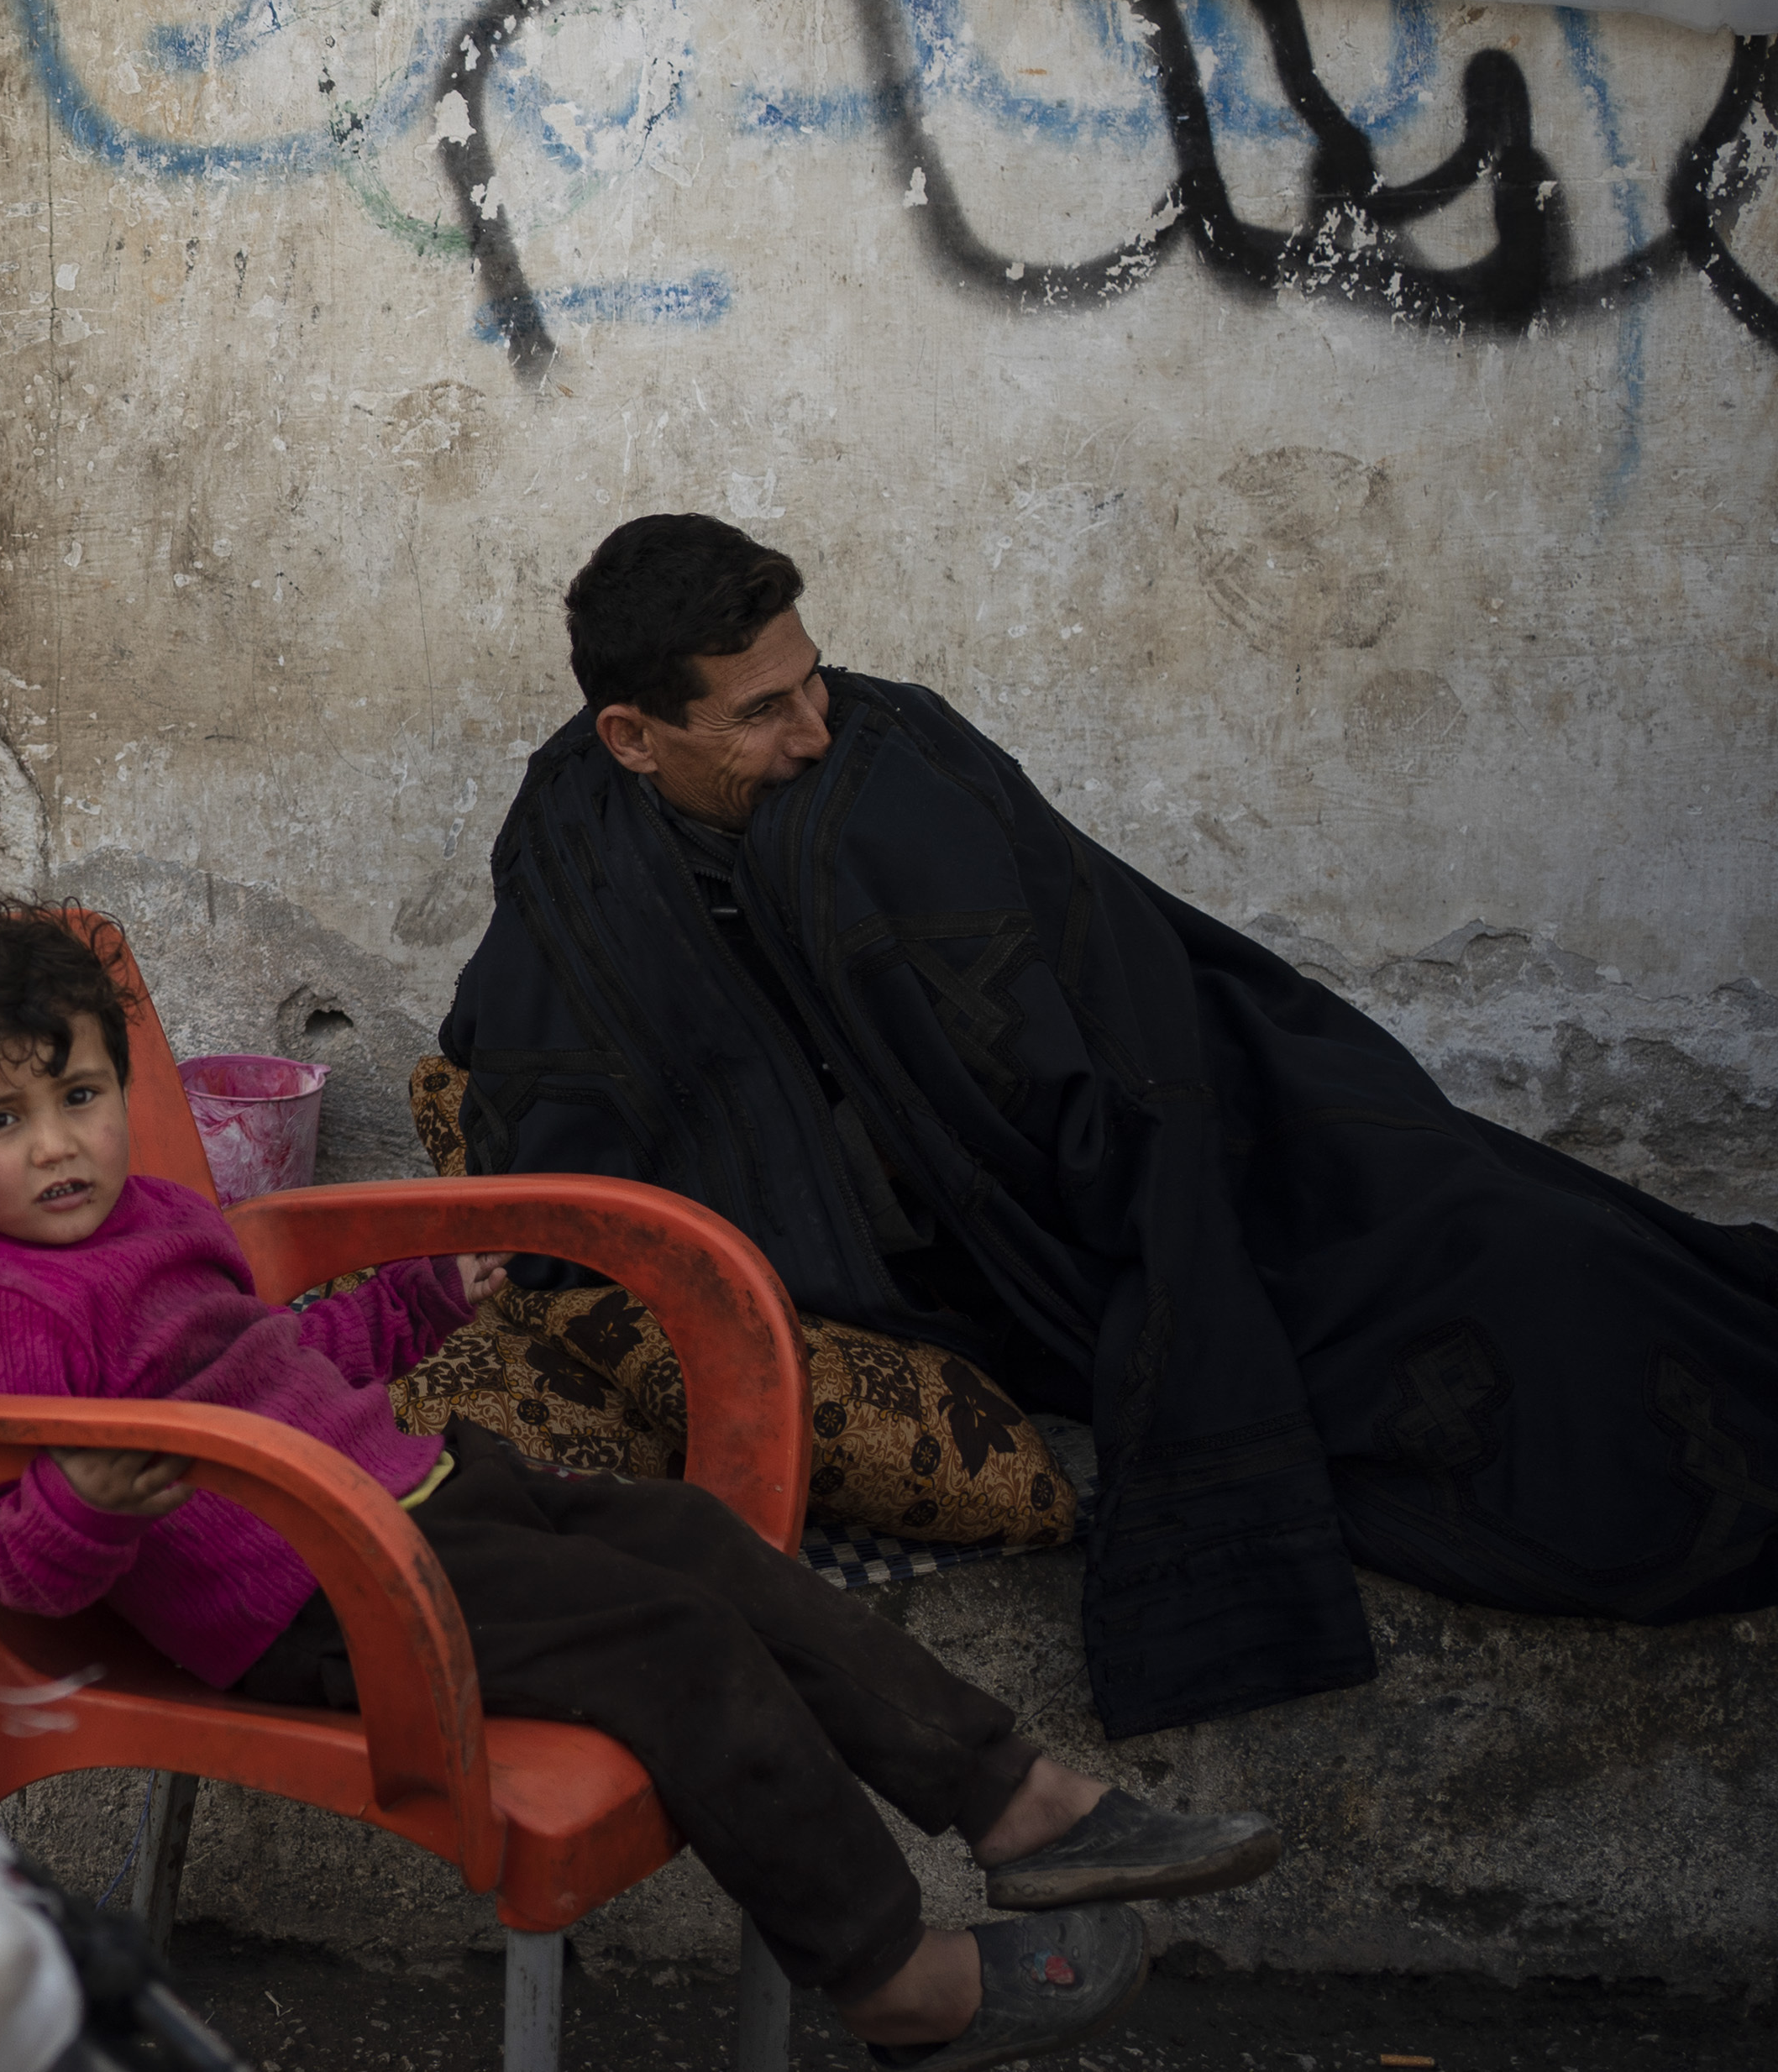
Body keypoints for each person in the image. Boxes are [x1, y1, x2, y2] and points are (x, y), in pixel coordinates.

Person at [0, 912, 1281, 2072]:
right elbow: (18, 1571)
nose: (58, 1144)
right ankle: (894, 1978)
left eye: (82, 1095)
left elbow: (274, 1361)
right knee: (673, 1638)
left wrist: (417, 1302)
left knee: (689, 1535)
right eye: (2, 1117)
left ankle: (1015, 1796)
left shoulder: (161, 1213)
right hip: (318, 1593)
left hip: (415, 1497)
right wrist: (99, 1490)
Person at [443, 513, 1778, 1739]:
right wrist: (527, 1219)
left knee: (1489, 1209)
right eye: (759, 712)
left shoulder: (889, 750)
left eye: (812, 681)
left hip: (1156, 1113)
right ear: (633, 736)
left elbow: (1080, 948)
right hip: (1005, 1243)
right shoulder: (579, 856)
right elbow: (544, 1064)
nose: (811, 729)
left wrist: (1145, 1156)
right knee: (1487, 1303)